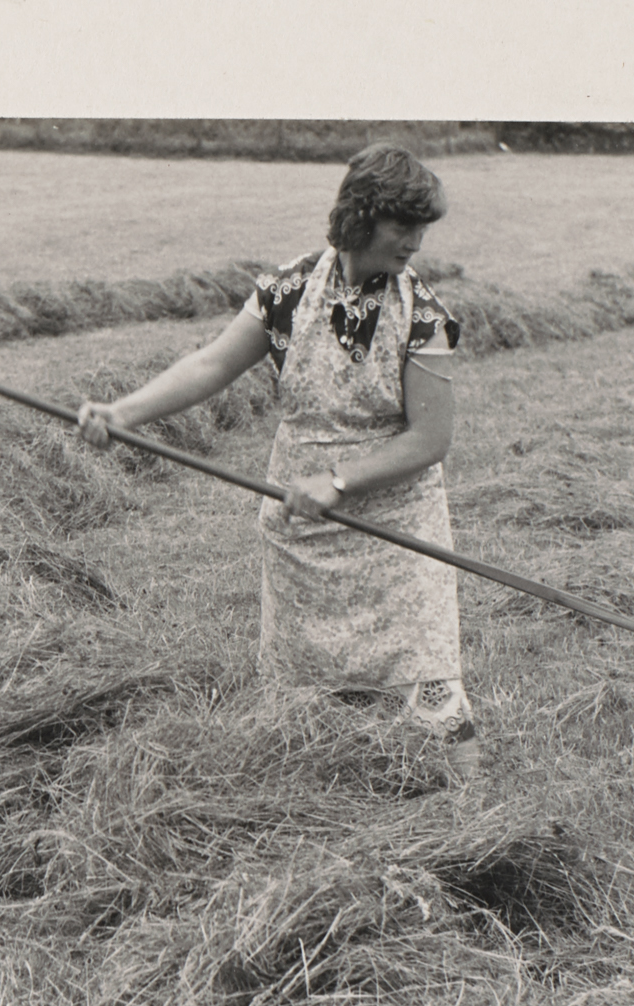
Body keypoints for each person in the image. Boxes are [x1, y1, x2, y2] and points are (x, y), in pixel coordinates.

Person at [76, 143, 479, 774]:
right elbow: (211, 364)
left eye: (423, 226)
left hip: (396, 526)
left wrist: (341, 481)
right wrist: (124, 413)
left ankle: (473, 809)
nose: (416, 242)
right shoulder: (289, 291)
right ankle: (327, 796)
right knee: (305, 698)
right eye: (404, 224)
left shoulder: (423, 317)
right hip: (301, 524)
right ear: (362, 216)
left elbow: (429, 442)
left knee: (426, 681)